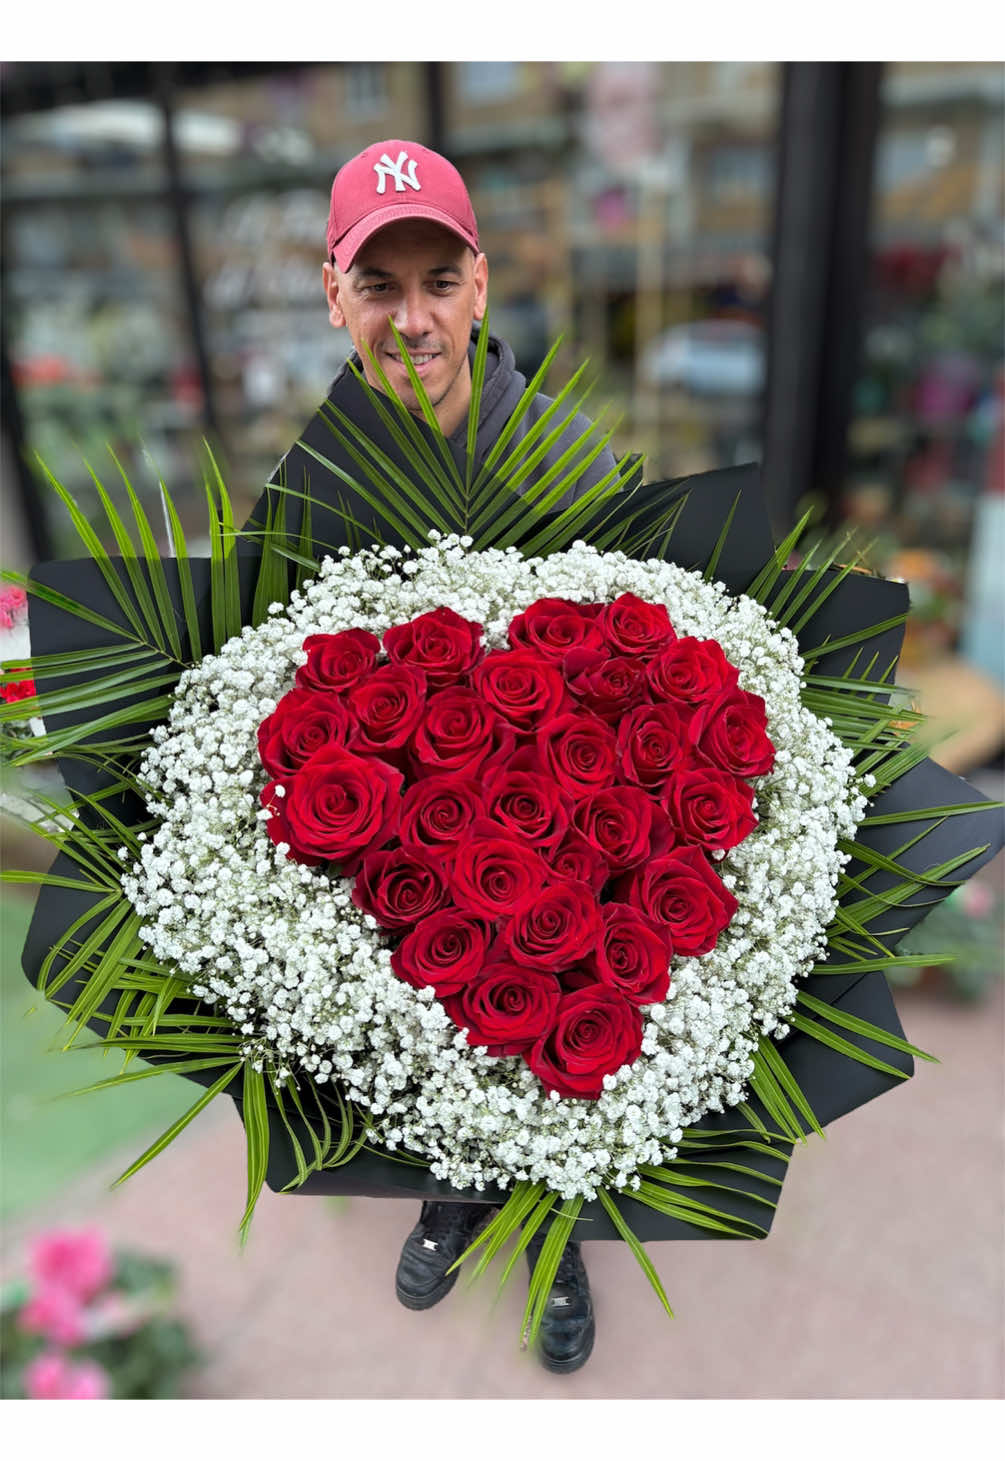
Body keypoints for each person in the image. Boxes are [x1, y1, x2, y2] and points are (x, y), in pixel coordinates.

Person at [266, 138, 613, 1375]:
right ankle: (452, 1195)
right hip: (397, 855)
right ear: (332, 294)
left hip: (560, 834)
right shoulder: (305, 487)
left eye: (437, 281)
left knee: (562, 1027)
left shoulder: (572, 464)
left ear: (480, 284)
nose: (412, 321)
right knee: (426, 1043)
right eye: (378, 285)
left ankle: (559, 1229)